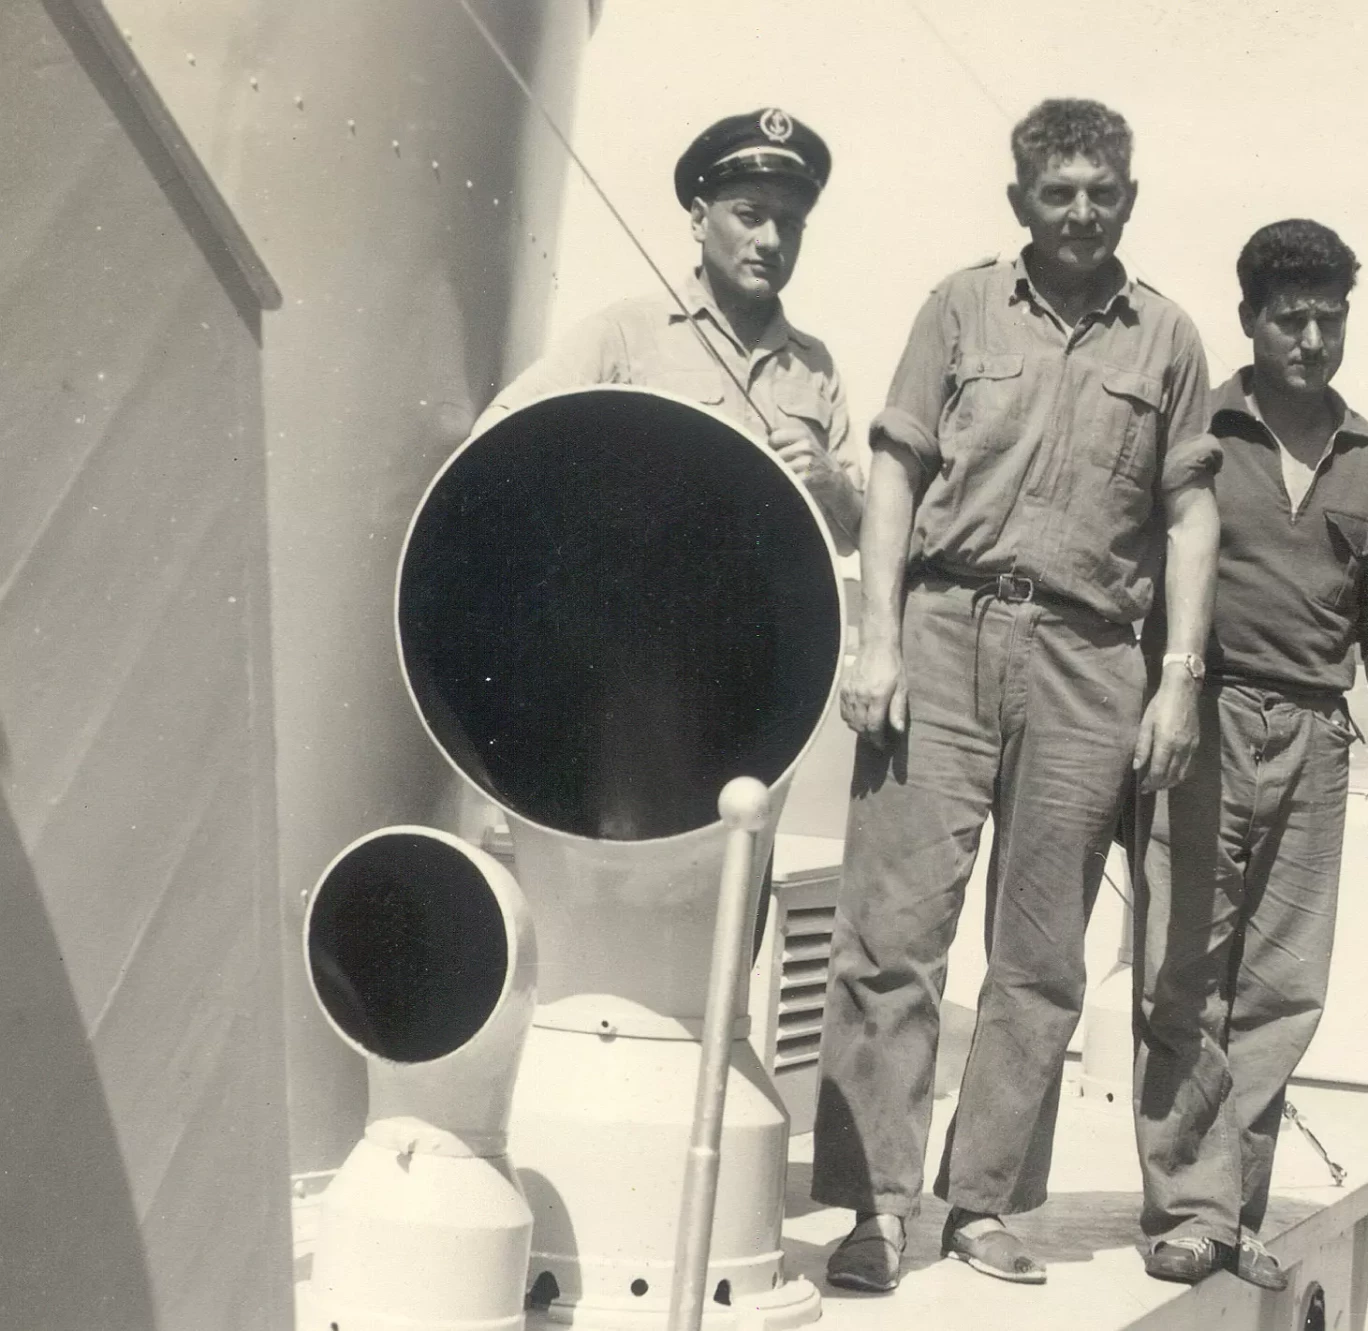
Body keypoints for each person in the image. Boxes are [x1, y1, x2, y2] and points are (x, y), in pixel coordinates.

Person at [812, 98, 1222, 1293]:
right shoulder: (957, 307)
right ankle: (874, 1207)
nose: (1081, 212)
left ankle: (980, 1201)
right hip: (942, 631)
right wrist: (876, 638)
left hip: (1092, 659)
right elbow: (894, 470)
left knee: (1040, 955)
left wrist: (1178, 680)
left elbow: (1190, 514)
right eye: (1058, 193)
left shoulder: (1169, 340)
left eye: (1102, 192)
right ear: (1019, 203)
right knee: (891, 935)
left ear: (1129, 200)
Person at [1132, 219, 1368, 1291]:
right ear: (1248, 319)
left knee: (1282, 986)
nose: (1311, 339)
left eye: (1328, 318)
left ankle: (1230, 1209)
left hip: (1316, 735)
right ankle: (1188, 1207)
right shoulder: (1198, 430)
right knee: (1183, 969)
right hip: (1200, 717)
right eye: (1290, 318)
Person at [472, 107, 865, 553]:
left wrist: (833, 483)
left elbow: (859, 538)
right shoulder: (626, 332)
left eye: (789, 224)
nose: (771, 241)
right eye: (751, 216)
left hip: (763, 594)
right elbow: (499, 434)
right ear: (699, 219)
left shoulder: (815, 365)